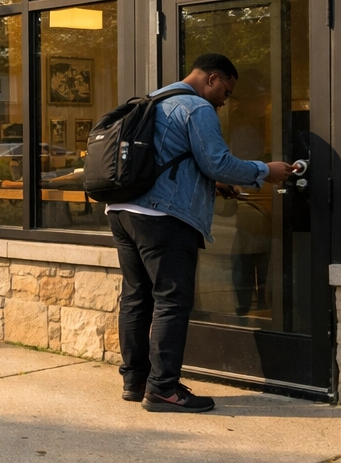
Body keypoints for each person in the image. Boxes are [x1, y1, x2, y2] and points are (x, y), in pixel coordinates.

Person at [106, 52, 294, 413]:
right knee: (172, 300)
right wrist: (263, 170)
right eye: (226, 91)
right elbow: (216, 160)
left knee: (136, 297)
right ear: (212, 79)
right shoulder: (195, 108)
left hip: (123, 211)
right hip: (163, 217)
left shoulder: (152, 100)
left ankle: (137, 380)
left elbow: (178, 161)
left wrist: (215, 183)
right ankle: (163, 389)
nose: (225, 102)